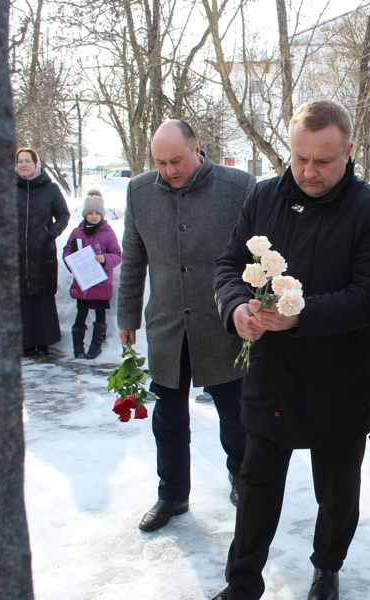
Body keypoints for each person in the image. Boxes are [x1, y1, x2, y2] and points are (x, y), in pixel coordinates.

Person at [211, 100, 370, 600]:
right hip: (270, 377)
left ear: (350, 151)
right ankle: (241, 584)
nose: (310, 172)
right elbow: (229, 266)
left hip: (339, 380)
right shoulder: (264, 198)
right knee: (255, 490)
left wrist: (301, 314)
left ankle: (327, 568)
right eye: (300, 158)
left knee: (336, 495)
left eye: (324, 161)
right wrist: (236, 310)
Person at [117, 120, 255, 529]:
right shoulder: (140, 192)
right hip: (168, 327)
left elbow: (259, 255)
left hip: (224, 324)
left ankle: (243, 480)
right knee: (168, 419)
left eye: (176, 160)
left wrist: (258, 308)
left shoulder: (238, 186)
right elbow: (132, 259)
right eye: (160, 162)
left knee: (236, 414)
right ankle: (172, 495)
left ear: (198, 149)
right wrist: (126, 315)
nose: (168, 170)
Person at [16, 146, 70, 358]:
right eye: (20, 161)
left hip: (42, 252)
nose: (24, 164)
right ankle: (26, 343)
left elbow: (63, 215)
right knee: (22, 297)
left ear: (36, 164)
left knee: (42, 298)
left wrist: (51, 233)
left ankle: (44, 342)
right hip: (17, 253)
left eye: (27, 160)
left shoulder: (50, 189)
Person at [62, 189, 122, 359]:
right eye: (90, 213)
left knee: (100, 314)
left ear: (102, 214)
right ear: (85, 214)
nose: (94, 216)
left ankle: (96, 345)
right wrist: (71, 262)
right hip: (83, 283)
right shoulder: (77, 232)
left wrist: (104, 259)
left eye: (97, 213)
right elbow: (67, 251)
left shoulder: (108, 233)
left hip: (101, 283)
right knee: (81, 313)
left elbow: (117, 254)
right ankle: (77, 346)